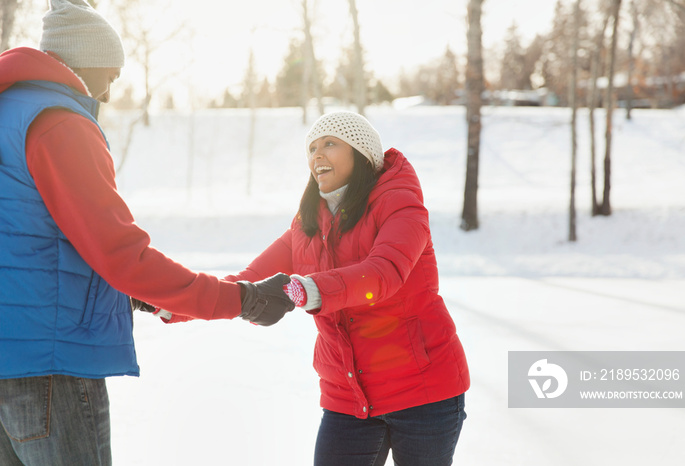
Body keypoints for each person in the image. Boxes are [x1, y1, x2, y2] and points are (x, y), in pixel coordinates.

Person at [0, 1, 294, 465]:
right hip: (50, 368)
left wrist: (134, 295)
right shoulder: (60, 122)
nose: (111, 92)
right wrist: (243, 299)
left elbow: (31, 244)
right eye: (112, 75)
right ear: (85, 59)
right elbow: (122, 256)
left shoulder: (9, 113)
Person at [168, 111, 471, 465]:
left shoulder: (400, 203)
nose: (317, 155)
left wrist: (303, 290)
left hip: (423, 392)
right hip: (349, 397)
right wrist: (170, 304)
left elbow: (382, 274)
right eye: (311, 148)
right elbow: (244, 283)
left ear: (362, 154)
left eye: (330, 143)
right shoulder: (307, 224)